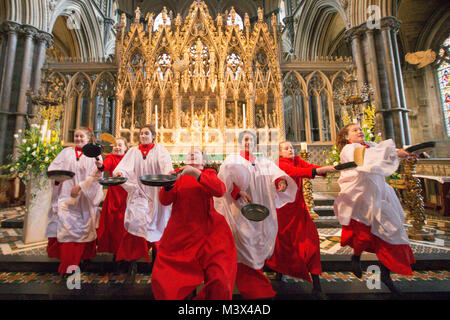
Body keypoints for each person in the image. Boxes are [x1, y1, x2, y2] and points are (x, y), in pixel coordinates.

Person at [214, 130, 297, 299]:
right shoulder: (232, 160)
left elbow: (275, 175)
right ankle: (255, 289)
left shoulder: (263, 162)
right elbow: (224, 182)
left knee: (255, 243)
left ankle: (252, 285)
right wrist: (238, 192)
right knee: (243, 246)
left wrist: (280, 182)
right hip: (239, 212)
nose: (248, 142)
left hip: (258, 212)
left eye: (251, 140)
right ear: (239, 142)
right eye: (245, 140)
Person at [333, 123, 416, 293]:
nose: (359, 131)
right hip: (362, 196)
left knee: (393, 231)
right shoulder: (349, 149)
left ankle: (386, 273)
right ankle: (356, 257)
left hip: (381, 193)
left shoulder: (371, 145)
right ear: (346, 137)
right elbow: (365, 157)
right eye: (354, 130)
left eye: (360, 129)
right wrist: (395, 152)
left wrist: (410, 151)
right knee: (363, 235)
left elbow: (385, 154)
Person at [152, 147, 237, 300]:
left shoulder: (208, 174)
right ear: (184, 160)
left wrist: (196, 174)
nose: (192, 153)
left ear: (203, 162)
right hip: (181, 233)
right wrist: (168, 185)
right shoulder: (175, 175)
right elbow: (165, 201)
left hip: (210, 232)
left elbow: (219, 190)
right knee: (164, 280)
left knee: (221, 279)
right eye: (189, 153)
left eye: (196, 153)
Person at [265, 141, 337, 299]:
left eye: (291, 147)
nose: (290, 149)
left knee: (311, 242)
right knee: (284, 244)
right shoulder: (280, 163)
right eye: (286, 148)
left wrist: (326, 169)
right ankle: (279, 271)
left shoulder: (297, 159)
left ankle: (317, 284)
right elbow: (296, 172)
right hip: (284, 213)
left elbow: (307, 166)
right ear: (279, 153)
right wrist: (321, 170)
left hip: (300, 211)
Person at [113, 124, 173, 283]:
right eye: (141, 134)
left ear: (153, 135)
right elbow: (123, 168)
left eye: (147, 133)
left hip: (156, 194)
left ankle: (157, 266)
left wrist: (167, 175)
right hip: (139, 194)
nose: (144, 136)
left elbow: (167, 168)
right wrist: (120, 173)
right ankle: (132, 266)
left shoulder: (160, 150)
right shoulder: (133, 151)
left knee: (158, 229)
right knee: (135, 225)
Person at [46, 127, 103, 276]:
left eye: (81, 136)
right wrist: (57, 179)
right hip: (66, 196)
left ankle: (82, 258)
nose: (78, 139)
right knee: (67, 228)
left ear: (89, 139)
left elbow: (97, 175)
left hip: (85, 198)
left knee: (83, 229)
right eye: (76, 136)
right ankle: (68, 264)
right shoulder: (66, 152)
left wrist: (81, 186)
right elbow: (54, 168)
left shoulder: (94, 155)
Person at [95, 137, 128, 265]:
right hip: (114, 196)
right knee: (114, 225)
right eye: (115, 145)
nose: (117, 147)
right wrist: (100, 165)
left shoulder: (129, 158)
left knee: (125, 225)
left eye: (120, 145)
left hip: (126, 196)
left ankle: (125, 253)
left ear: (126, 147)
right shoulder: (111, 158)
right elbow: (104, 166)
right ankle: (116, 252)